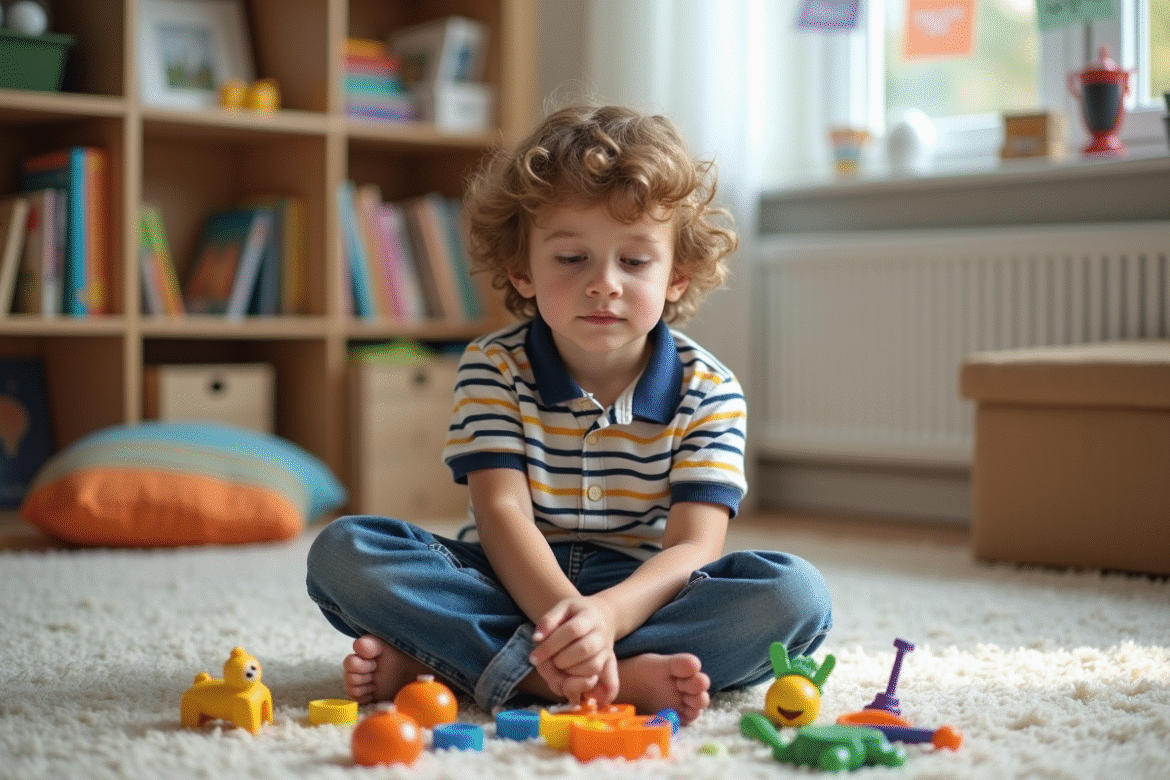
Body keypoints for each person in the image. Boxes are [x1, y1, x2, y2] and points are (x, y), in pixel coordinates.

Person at [306, 104, 832, 725]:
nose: (603, 283)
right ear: (522, 272)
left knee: (796, 597)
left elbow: (692, 548)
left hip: (642, 592)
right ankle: (594, 679)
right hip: (506, 574)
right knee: (344, 550)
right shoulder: (493, 366)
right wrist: (567, 616)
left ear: (677, 277)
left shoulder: (710, 389)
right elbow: (500, 512)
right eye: (571, 258)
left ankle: (459, 663)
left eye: (634, 262)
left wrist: (605, 616)